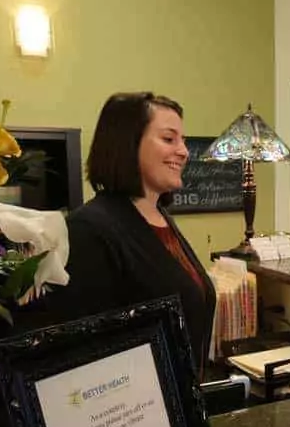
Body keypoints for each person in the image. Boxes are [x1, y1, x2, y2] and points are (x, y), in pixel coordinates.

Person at [42, 92, 216, 377]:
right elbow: (85, 352)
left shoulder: (162, 218)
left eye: (182, 140)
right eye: (169, 139)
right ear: (128, 144)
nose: (184, 151)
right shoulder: (89, 228)